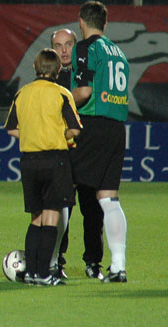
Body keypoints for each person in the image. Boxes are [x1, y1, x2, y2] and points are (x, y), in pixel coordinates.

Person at [5, 48, 82, 286]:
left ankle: (30, 274)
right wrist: (60, 135)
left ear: (36, 68)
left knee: (35, 218)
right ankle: (43, 274)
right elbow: (75, 129)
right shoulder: (62, 93)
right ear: (58, 69)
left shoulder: (22, 93)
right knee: (51, 217)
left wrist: (32, 136)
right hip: (54, 159)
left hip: (29, 161)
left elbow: (10, 128)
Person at [70, 1, 129, 283]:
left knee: (64, 189)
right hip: (117, 128)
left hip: (91, 124)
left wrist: (59, 104)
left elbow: (83, 91)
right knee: (108, 199)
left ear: (81, 22)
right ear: (105, 24)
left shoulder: (85, 47)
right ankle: (118, 266)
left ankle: (50, 261)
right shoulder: (119, 53)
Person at [51, 28, 106, 281]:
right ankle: (56, 259)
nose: (63, 50)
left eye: (68, 44)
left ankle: (93, 262)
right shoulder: (48, 81)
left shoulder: (85, 76)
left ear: (76, 47)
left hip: (87, 148)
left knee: (92, 207)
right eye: (58, 45)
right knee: (63, 207)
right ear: (52, 49)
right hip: (62, 151)